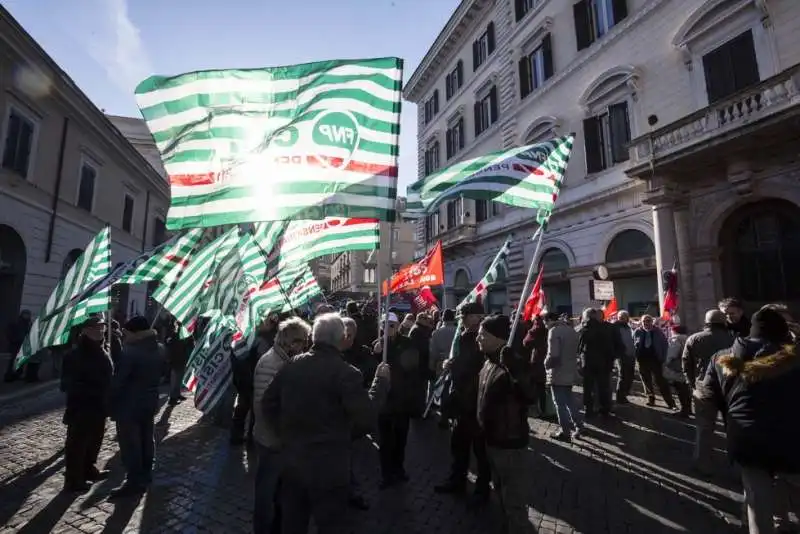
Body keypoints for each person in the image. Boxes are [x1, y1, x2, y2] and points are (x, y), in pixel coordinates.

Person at [263, 312, 391, 534]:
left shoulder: (292, 365)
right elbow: (366, 417)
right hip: (329, 467)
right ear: (341, 339)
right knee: (331, 525)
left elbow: (268, 403)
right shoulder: (346, 373)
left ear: (314, 337)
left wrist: (284, 434)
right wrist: (380, 383)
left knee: (292, 525)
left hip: (293, 462)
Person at [699, 308, 800, 534]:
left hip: (746, 437)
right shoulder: (794, 357)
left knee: (757, 500)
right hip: (792, 436)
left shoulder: (721, 358)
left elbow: (707, 397)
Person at [252, 317, 311, 534]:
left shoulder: (285, 360)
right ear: (287, 340)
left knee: (278, 493)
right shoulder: (271, 363)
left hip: (278, 440)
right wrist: (279, 437)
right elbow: (264, 405)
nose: (304, 346)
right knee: (266, 494)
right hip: (271, 441)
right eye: (301, 341)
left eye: (306, 341)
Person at [475, 314, 534, 532]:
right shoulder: (488, 361)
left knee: (514, 501)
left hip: (510, 443)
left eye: (483, 335)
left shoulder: (515, 363)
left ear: (498, 338)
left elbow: (530, 396)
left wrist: (516, 369)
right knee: (499, 493)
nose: (478, 339)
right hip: (490, 441)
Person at [434, 302, 491, 504]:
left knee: (480, 449)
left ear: (474, 317)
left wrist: (455, 366)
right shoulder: (464, 336)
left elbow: (474, 368)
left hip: (476, 402)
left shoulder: (483, 338)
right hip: (462, 401)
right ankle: (457, 481)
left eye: (464, 317)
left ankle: (482, 490)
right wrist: (450, 364)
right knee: (459, 445)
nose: (462, 321)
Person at [109, 316, 166, 498]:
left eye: (126, 333)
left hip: (129, 404)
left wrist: (110, 403)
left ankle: (134, 481)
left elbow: (118, 382)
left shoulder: (131, 352)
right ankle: (146, 474)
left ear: (135, 333)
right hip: (149, 402)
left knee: (131, 444)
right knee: (147, 440)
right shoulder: (159, 348)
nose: (124, 335)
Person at [61, 316, 114, 492]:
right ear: (84, 330)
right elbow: (67, 384)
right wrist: (93, 389)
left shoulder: (103, 349)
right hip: (82, 408)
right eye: (95, 328)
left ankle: (89, 469)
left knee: (95, 440)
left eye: (102, 328)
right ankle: (73, 479)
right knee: (77, 444)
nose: (100, 331)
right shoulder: (75, 354)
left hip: (100, 406)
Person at [374, 312, 424, 487]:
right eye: (384, 325)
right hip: (385, 402)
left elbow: (413, 369)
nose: (388, 328)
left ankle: (399, 468)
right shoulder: (377, 345)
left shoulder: (407, 343)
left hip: (402, 400)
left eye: (392, 325)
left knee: (401, 438)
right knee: (385, 441)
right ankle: (386, 474)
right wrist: (377, 355)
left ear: (397, 326)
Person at [681, 309, 734, 471]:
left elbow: (686, 364)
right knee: (732, 429)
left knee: (704, 429)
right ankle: (736, 466)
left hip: (703, 388)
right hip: (729, 389)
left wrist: (691, 384)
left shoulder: (694, 339)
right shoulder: (733, 339)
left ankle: (702, 464)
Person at [543, 311, 583, 442]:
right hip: (570, 370)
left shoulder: (554, 331)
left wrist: (545, 365)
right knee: (570, 401)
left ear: (549, 320)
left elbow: (553, 355)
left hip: (558, 372)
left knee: (559, 404)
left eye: (545, 322)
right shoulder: (570, 330)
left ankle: (565, 432)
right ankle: (579, 426)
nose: (544, 325)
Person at [577, 308, 616, 417]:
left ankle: (588, 409)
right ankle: (605, 409)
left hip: (588, 362)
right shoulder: (605, 328)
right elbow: (609, 347)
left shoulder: (584, 328)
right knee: (603, 386)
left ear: (586, 316)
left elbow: (579, 347)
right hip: (602, 362)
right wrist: (610, 361)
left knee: (588, 387)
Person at [633, 315, 675, 409]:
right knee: (646, 380)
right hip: (642, 360)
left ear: (652, 322)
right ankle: (650, 398)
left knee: (661, 381)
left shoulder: (658, 332)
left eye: (648, 321)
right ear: (641, 322)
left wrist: (664, 359)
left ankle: (670, 402)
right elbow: (633, 344)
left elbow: (665, 345)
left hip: (656, 360)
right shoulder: (637, 332)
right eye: (644, 321)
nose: (646, 323)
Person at [663, 325, 691, 417]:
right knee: (687, 390)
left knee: (680, 389)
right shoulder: (689, 339)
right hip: (687, 367)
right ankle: (689, 408)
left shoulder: (675, 340)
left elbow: (671, 355)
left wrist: (666, 362)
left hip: (677, 368)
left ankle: (684, 410)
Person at [523, 315, 548, 417]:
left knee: (535, 385)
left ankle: (534, 408)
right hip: (546, 358)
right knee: (542, 386)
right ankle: (544, 408)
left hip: (537, 360)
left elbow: (525, 343)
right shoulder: (548, 330)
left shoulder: (534, 331)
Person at [611, 311, 636, 403]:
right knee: (623, 376)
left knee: (630, 376)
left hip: (631, 355)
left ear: (627, 318)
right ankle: (620, 397)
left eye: (624, 316)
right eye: (620, 316)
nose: (622, 318)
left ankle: (625, 394)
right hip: (621, 355)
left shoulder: (628, 327)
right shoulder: (614, 327)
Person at [4, 309, 31, 383]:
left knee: (20, 361)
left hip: (22, 345)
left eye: (28, 314)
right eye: (26, 314)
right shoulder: (16, 322)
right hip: (16, 345)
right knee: (13, 361)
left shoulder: (28, 323)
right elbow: (9, 332)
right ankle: (9, 376)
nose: (27, 316)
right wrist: (14, 339)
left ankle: (16, 375)